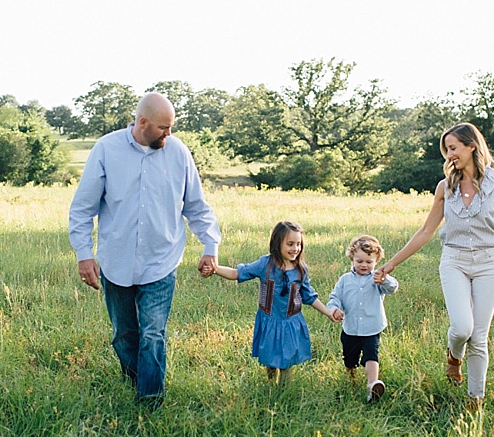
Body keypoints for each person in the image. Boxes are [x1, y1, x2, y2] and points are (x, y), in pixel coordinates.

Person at [376, 122, 494, 410]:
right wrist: (391, 263)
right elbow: (426, 231)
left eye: (453, 148)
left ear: (472, 146)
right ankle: (454, 355)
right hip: (454, 261)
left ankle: (474, 399)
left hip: (490, 263)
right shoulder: (445, 187)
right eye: (446, 150)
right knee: (462, 327)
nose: (449, 155)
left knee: (479, 336)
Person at [68, 92, 221, 407]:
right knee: (124, 336)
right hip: (116, 261)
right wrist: (84, 254)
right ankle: (135, 379)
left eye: (172, 128)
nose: (169, 134)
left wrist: (210, 244)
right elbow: (82, 209)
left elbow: (195, 206)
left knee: (152, 335)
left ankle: (149, 402)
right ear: (142, 123)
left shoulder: (178, 153)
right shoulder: (106, 150)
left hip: (160, 261)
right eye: (164, 128)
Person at [205, 220, 341, 384]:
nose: (295, 249)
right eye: (290, 244)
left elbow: (309, 296)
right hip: (269, 321)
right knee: (270, 359)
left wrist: (328, 312)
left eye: (298, 244)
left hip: (290, 322)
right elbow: (237, 273)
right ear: (277, 243)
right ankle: (270, 385)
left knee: (286, 361)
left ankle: (284, 391)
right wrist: (215, 268)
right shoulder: (266, 265)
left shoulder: (300, 269)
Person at [327, 234, 400, 403]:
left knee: (371, 356)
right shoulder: (345, 280)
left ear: (376, 261)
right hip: (350, 328)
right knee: (350, 359)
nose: (364, 265)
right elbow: (335, 297)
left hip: (372, 327)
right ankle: (351, 381)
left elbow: (393, 288)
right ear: (352, 259)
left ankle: (372, 385)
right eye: (359, 261)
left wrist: (385, 279)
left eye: (369, 262)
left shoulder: (378, 279)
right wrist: (334, 309)